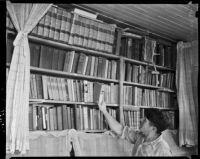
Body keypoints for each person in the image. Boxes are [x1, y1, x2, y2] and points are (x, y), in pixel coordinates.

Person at [98, 93, 172, 156]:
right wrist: (104, 111)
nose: (140, 119)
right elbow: (120, 129)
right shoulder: (140, 136)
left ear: (153, 129)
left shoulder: (163, 150)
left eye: (145, 120)